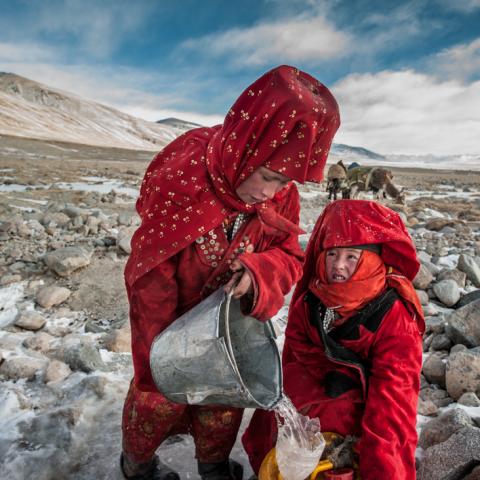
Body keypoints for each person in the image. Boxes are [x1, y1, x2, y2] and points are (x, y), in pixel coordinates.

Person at [120, 65, 340, 480]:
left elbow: (288, 255)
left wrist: (258, 272)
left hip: (230, 318)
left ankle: (213, 464)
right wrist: (161, 349)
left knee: (224, 397)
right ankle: (137, 465)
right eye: (267, 177)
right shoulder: (182, 176)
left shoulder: (280, 191)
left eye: (284, 183)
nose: (268, 195)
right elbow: (151, 271)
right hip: (166, 311)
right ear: (249, 146)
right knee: (157, 392)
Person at [243, 199, 425, 480]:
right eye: (332, 254)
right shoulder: (313, 299)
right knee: (282, 402)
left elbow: (393, 403)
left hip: (361, 406)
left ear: (374, 259)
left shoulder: (395, 317)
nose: (338, 266)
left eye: (352, 256)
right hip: (318, 388)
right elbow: (297, 353)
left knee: (336, 417)